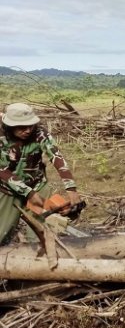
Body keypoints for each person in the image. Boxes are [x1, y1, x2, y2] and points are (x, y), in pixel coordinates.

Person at [0, 103, 81, 244]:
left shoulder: (39, 133)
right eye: (22, 127)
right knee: (2, 233)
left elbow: (56, 157)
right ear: (10, 125)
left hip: (36, 183)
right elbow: (2, 171)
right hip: (7, 189)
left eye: (30, 126)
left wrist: (71, 188)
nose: (28, 130)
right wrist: (29, 193)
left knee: (47, 228)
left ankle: (42, 254)